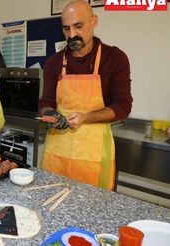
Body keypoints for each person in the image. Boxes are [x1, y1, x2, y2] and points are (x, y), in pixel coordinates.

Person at [38, 0, 132, 191]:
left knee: (93, 210)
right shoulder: (53, 63)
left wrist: (86, 117)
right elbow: (46, 102)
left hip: (94, 155)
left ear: (94, 21)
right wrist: (51, 114)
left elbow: (123, 106)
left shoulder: (114, 58)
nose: (72, 35)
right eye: (66, 29)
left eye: (78, 26)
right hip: (58, 153)